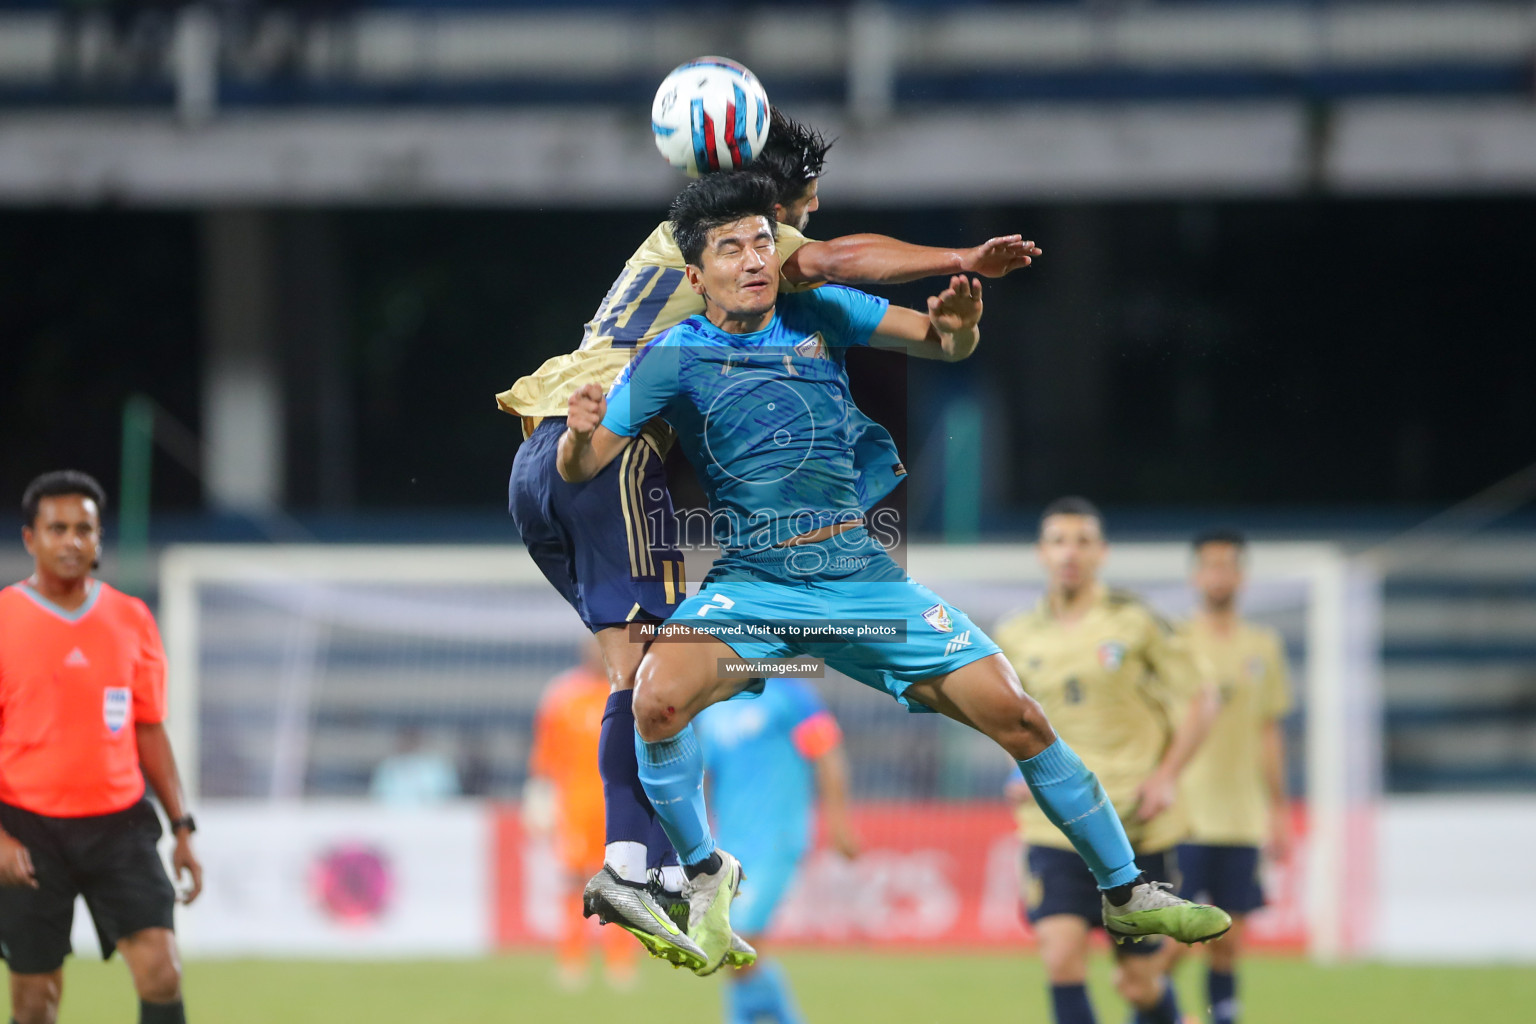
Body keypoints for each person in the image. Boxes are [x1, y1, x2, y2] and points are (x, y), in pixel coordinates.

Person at [556, 172, 1231, 975]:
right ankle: (706, 875)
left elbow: (943, 341)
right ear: (697, 276)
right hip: (754, 588)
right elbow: (580, 468)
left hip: (862, 582)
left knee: (1019, 716)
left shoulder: (821, 312)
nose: (754, 259)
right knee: (656, 699)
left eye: (763, 242)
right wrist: (577, 434)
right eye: (731, 248)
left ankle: (1124, 892)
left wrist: (961, 325)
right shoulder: (674, 355)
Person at [499, 109, 1042, 966]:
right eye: (804, 210)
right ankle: (639, 867)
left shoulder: (683, 240)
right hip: (609, 451)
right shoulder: (739, 250)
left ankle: (649, 869)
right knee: (651, 670)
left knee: (630, 664)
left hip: (540, 457)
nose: (797, 235)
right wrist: (960, 257)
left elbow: (910, 324)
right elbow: (833, 263)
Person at [993, 498, 1221, 1024]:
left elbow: (1201, 698)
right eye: (1058, 541)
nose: (1069, 552)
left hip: (1133, 820)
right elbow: (1002, 715)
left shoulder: (1136, 622)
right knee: (1061, 956)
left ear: (1102, 552)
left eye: (1082, 541)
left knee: (1138, 982)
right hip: (1055, 824)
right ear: (1040, 553)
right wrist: (1013, 767)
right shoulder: (1015, 633)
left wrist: (1167, 776)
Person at [0, 470, 202, 1024]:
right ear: (30, 539)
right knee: (35, 1002)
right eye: (57, 528)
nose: (71, 541)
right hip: (27, 829)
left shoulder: (131, 617)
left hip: (119, 825)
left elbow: (148, 728)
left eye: (83, 529)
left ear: (97, 539)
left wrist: (182, 827)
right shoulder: (3, 618)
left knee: (163, 970)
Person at [1170, 528, 1293, 1024]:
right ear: (1196, 575)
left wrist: (1280, 810)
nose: (1219, 575)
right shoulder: (1175, 642)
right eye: (1210, 565)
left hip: (1242, 817)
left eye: (1228, 565)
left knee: (1228, 943)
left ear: (1241, 576)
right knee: (1171, 945)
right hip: (1185, 817)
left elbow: (1269, 731)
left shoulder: (1262, 645)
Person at [694, 679, 859, 1023]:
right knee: (728, 946)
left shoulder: (791, 695)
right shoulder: (712, 704)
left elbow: (827, 753)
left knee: (738, 938)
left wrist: (839, 825)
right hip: (729, 845)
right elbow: (702, 777)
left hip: (777, 839)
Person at [525, 642, 639, 990]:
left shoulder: (631, 692)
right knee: (575, 880)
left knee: (621, 880)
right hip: (575, 804)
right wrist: (539, 796)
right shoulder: (561, 694)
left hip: (620, 803)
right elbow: (546, 751)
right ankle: (572, 959)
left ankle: (620, 962)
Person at [368, 725, 462, 805]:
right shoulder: (389, 766)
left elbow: (450, 795)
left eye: (413, 739)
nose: (409, 743)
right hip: (394, 819)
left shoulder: (438, 765)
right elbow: (378, 796)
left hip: (433, 819)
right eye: (406, 740)